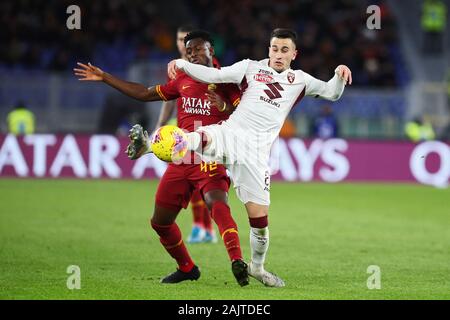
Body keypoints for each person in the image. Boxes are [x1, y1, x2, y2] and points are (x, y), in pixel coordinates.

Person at [167, 28, 351, 287]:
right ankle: (155, 145)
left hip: (255, 153)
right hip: (232, 133)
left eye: (284, 50)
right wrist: (182, 64)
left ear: (294, 54)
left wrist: (339, 73)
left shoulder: (300, 80)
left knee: (260, 221)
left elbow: (332, 92)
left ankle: (257, 267)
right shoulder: (250, 68)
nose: (278, 54)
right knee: (201, 137)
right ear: (269, 50)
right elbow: (215, 74)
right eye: (274, 48)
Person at [74, 30, 249, 286]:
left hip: (211, 155)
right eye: (189, 51)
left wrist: (225, 107)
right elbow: (145, 93)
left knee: (217, 204)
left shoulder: (227, 80)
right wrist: (105, 78)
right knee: (160, 222)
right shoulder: (183, 79)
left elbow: (246, 114)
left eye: (198, 49)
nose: (193, 54)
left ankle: (237, 261)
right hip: (181, 160)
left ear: (212, 50)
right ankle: (187, 268)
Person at [155, 25, 217, 244]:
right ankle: (201, 226)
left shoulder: (208, 64)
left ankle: (205, 226)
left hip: (204, 129)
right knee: (187, 179)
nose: (182, 44)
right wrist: (161, 125)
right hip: (180, 128)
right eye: (179, 39)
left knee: (200, 179)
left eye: (185, 39)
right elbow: (169, 98)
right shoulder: (176, 68)